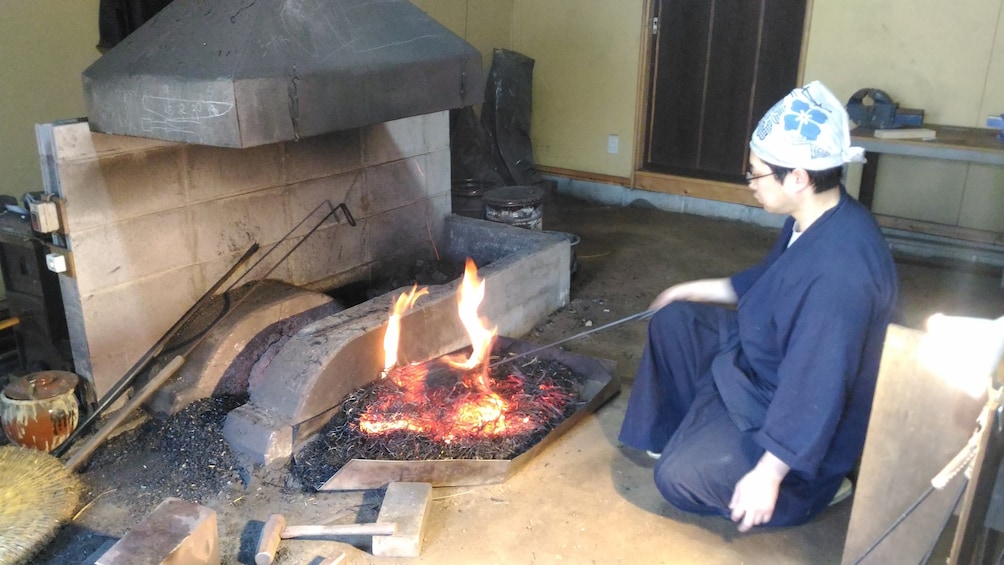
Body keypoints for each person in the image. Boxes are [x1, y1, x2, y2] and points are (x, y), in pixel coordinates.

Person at [618, 81, 898, 532]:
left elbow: (818, 385)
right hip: (762, 359)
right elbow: (770, 280)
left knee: (678, 479)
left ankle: (810, 491)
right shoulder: (812, 216)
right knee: (675, 320)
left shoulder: (841, 277)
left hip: (789, 402)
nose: (749, 184)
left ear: (799, 178)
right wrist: (695, 288)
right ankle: (691, 430)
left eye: (756, 173)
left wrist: (770, 473)